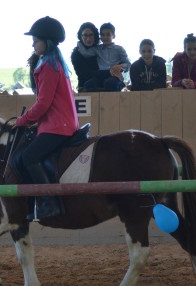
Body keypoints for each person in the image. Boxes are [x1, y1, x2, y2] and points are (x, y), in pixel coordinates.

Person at [15, 16, 79, 220]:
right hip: (57, 123)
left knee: (28, 157)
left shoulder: (49, 67)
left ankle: (49, 203)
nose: (33, 43)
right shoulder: (53, 63)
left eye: (36, 40)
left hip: (57, 126)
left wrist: (22, 120)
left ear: (47, 42)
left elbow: (43, 104)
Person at [84, 22, 131, 92]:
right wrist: (80, 42)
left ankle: (121, 85)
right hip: (102, 75)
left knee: (109, 83)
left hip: (115, 75)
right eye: (103, 35)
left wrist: (120, 66)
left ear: (113, 36)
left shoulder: (119, 49)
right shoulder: (97, 49)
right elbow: (85, 53)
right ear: (100, 36)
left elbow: (128, 64)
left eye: (108, 35)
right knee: (88, 84)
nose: (105, 37)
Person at [71, 22, 100, 92]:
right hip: (84, 88)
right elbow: (83, 74)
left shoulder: (101, 51)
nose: (88, 39)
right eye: (85, 35)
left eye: (91, 35)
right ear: (81, 36)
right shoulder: (76, 53)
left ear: (95, 36)